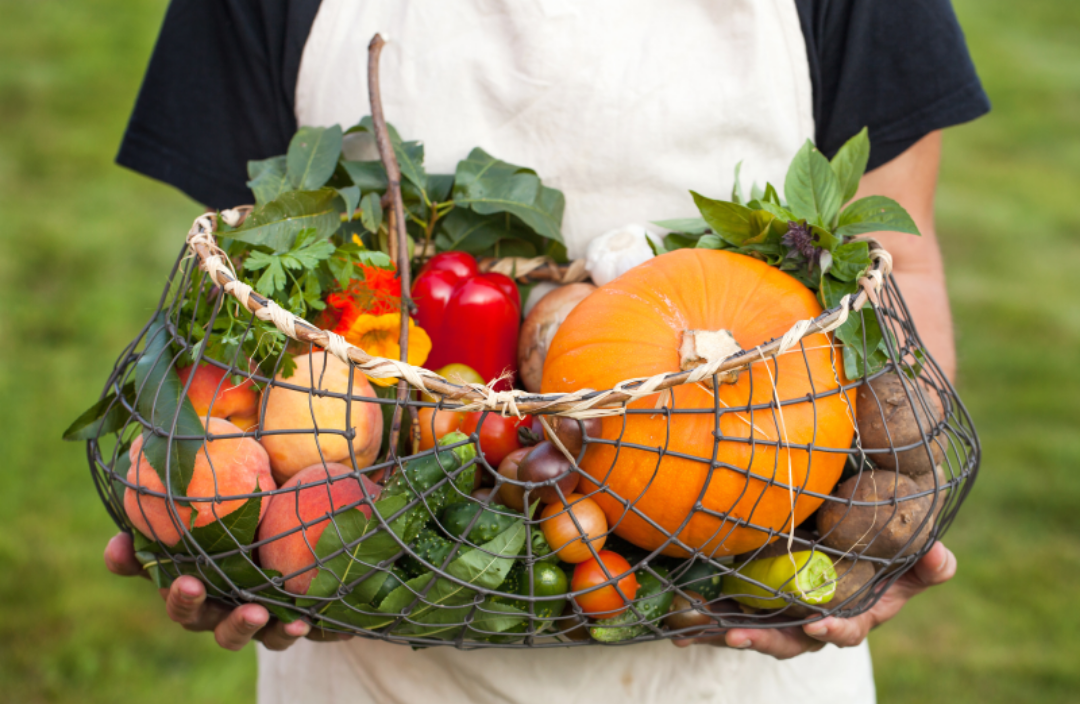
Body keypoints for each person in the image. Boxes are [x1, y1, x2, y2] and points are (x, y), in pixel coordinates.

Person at [107, 1, 989, 701]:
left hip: (745, 666)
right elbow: (244, 280)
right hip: (367, 646)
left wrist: (883, 521)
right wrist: (214, 525)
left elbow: (895, 254)